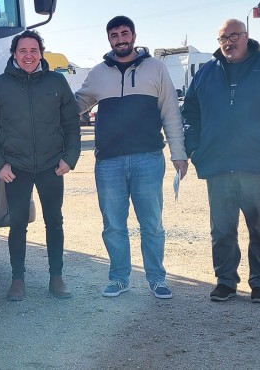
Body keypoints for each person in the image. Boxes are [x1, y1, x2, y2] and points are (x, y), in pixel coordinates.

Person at [182, 19, 260, 303]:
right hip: (219, 165)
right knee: (222, 229)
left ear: (247, 37)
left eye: (234, 36)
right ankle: (225, 280)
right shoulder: (206, 74)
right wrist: (195, 148)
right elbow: (190, 113)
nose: (229, 42)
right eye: (223, 38)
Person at [75, 16, 188, 299]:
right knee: (113, 225)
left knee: (151, 223)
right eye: (114, 35)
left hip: (148, 159)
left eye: (125, 33)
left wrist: (178, 153)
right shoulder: (98, 73)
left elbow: (171, 113)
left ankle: (157, 278)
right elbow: (75, 105)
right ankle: (119, 278)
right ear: (109, 40)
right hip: (108, 161)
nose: (120, 38)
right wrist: (48, 96)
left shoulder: (156, 68)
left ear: (134, 36)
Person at [0, 30, 81, 301]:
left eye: (33, 50)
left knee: (54, 222)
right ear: (14, 54)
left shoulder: (56, 82)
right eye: (22, 50)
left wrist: (69, 158)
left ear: (41, 53)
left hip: (51, 166)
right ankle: (17, 280)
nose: (28, 55)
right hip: (16, 169)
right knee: (18, 224)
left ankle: (56, 278)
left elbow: (71, 124)